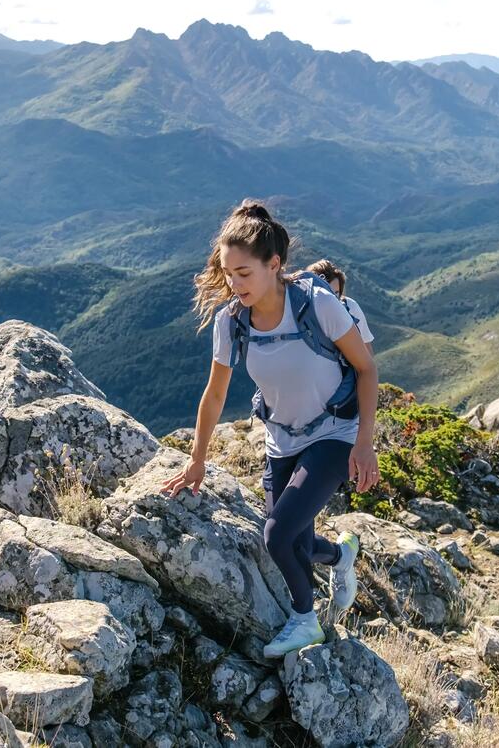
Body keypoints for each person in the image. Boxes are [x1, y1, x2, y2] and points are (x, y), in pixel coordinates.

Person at [160, 200, 380, 659]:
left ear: (273, 264)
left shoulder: (317, 304)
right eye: (227, 273)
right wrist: (197, 461)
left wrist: (364, 444)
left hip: (334, 434)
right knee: (293, 540)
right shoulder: (232, 321)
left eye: (244, 273)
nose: (233, 283)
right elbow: (215, 395)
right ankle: (341, 557)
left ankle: (305, 620)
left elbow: (365, 369)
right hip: (281, 440)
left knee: (276, 534)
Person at [303, 259, 375, 351]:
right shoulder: (299, 314)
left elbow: (367, 348)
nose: (332, 299)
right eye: (327, 293)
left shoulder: (350, 307)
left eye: (336, 293)